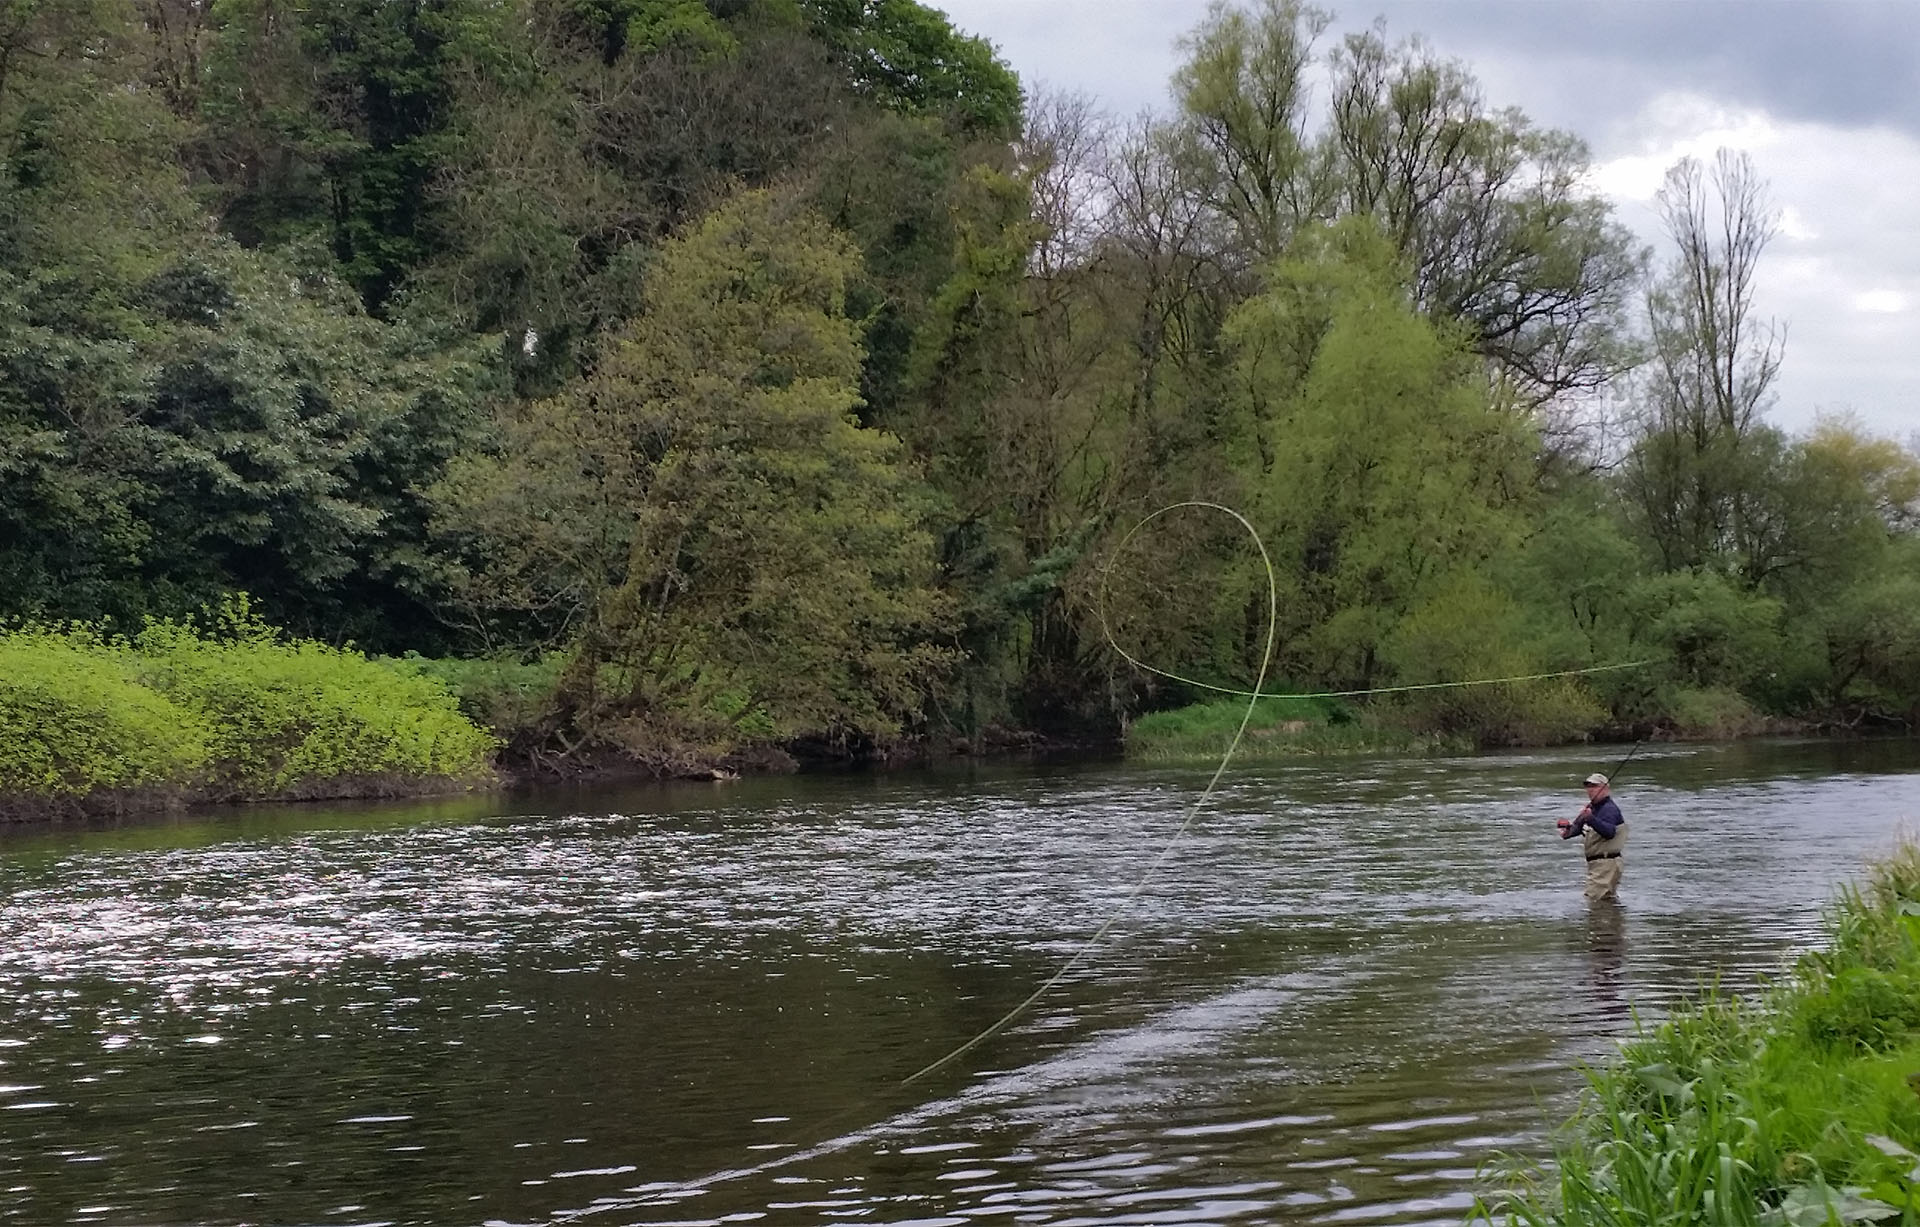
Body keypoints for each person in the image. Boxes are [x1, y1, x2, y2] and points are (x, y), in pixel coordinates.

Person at [1558, 771, 1626, 901]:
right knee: (1605, 901)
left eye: (1594, 786)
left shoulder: (1608, 809)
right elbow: (1576, 828)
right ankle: (1612, 920)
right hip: (1600, 865)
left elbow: (1609, 832)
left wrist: (1590, 818)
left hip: (1606, 864)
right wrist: (1566, 831)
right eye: (1588, 786)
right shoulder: (1593, 809)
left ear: (1605, 788)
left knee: (1594, 901)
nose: (1590, 790)